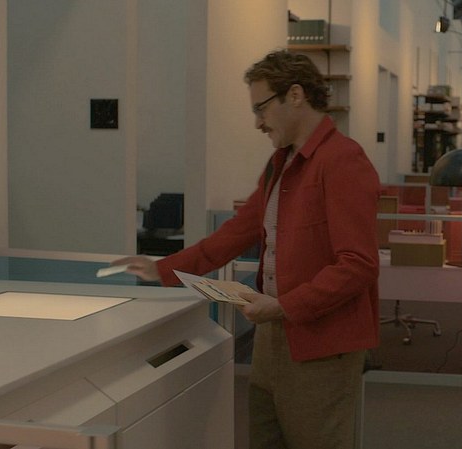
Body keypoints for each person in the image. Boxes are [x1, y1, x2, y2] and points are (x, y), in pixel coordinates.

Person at [113, 49, 381, 449]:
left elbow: (358, 265)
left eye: (261, 108)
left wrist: (284, 306)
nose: (258, 122)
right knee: (265, 438)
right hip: (273, 334)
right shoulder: (281, 164)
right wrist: (163, 268)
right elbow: (236, 233)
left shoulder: (342, 160)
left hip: (321, 343)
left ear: (295, 95)